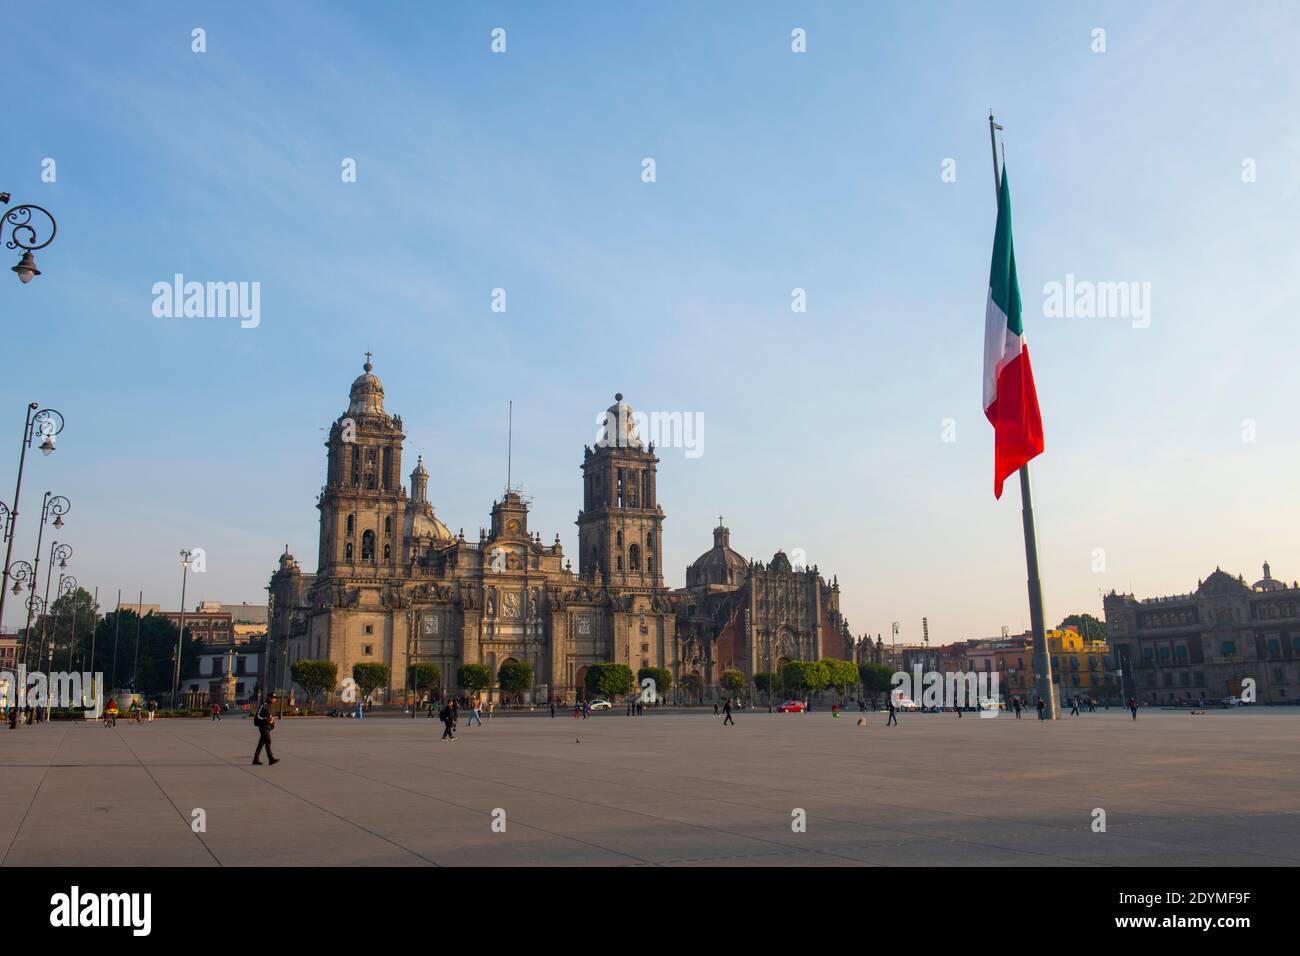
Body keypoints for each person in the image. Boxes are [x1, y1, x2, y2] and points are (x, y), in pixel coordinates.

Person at [253, 693, 279, 765]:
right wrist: (266, 719)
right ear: (269, 698)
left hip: (268, 727)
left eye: (275, 698)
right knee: (268, 740)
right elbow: (257, 716)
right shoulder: (263, 705)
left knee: (261, 743)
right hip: (263, 726)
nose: (274, 699)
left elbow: (271, 716)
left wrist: (273, 722)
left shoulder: (271, 706)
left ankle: (256, 759)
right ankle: (271, 758)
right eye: (273, 698)